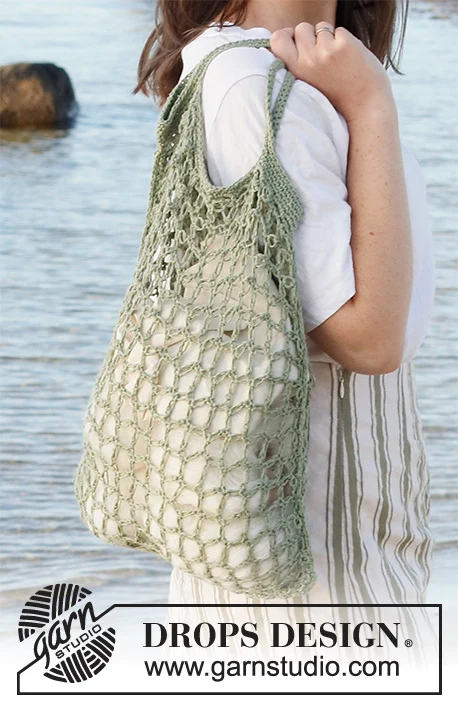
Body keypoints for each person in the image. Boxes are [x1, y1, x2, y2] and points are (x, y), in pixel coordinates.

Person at [134, 0, 437, 666]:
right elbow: (370, 340)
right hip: (313, 573)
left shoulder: (284, 74)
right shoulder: (254, 85)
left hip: (333, 550)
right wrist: (372, 108)